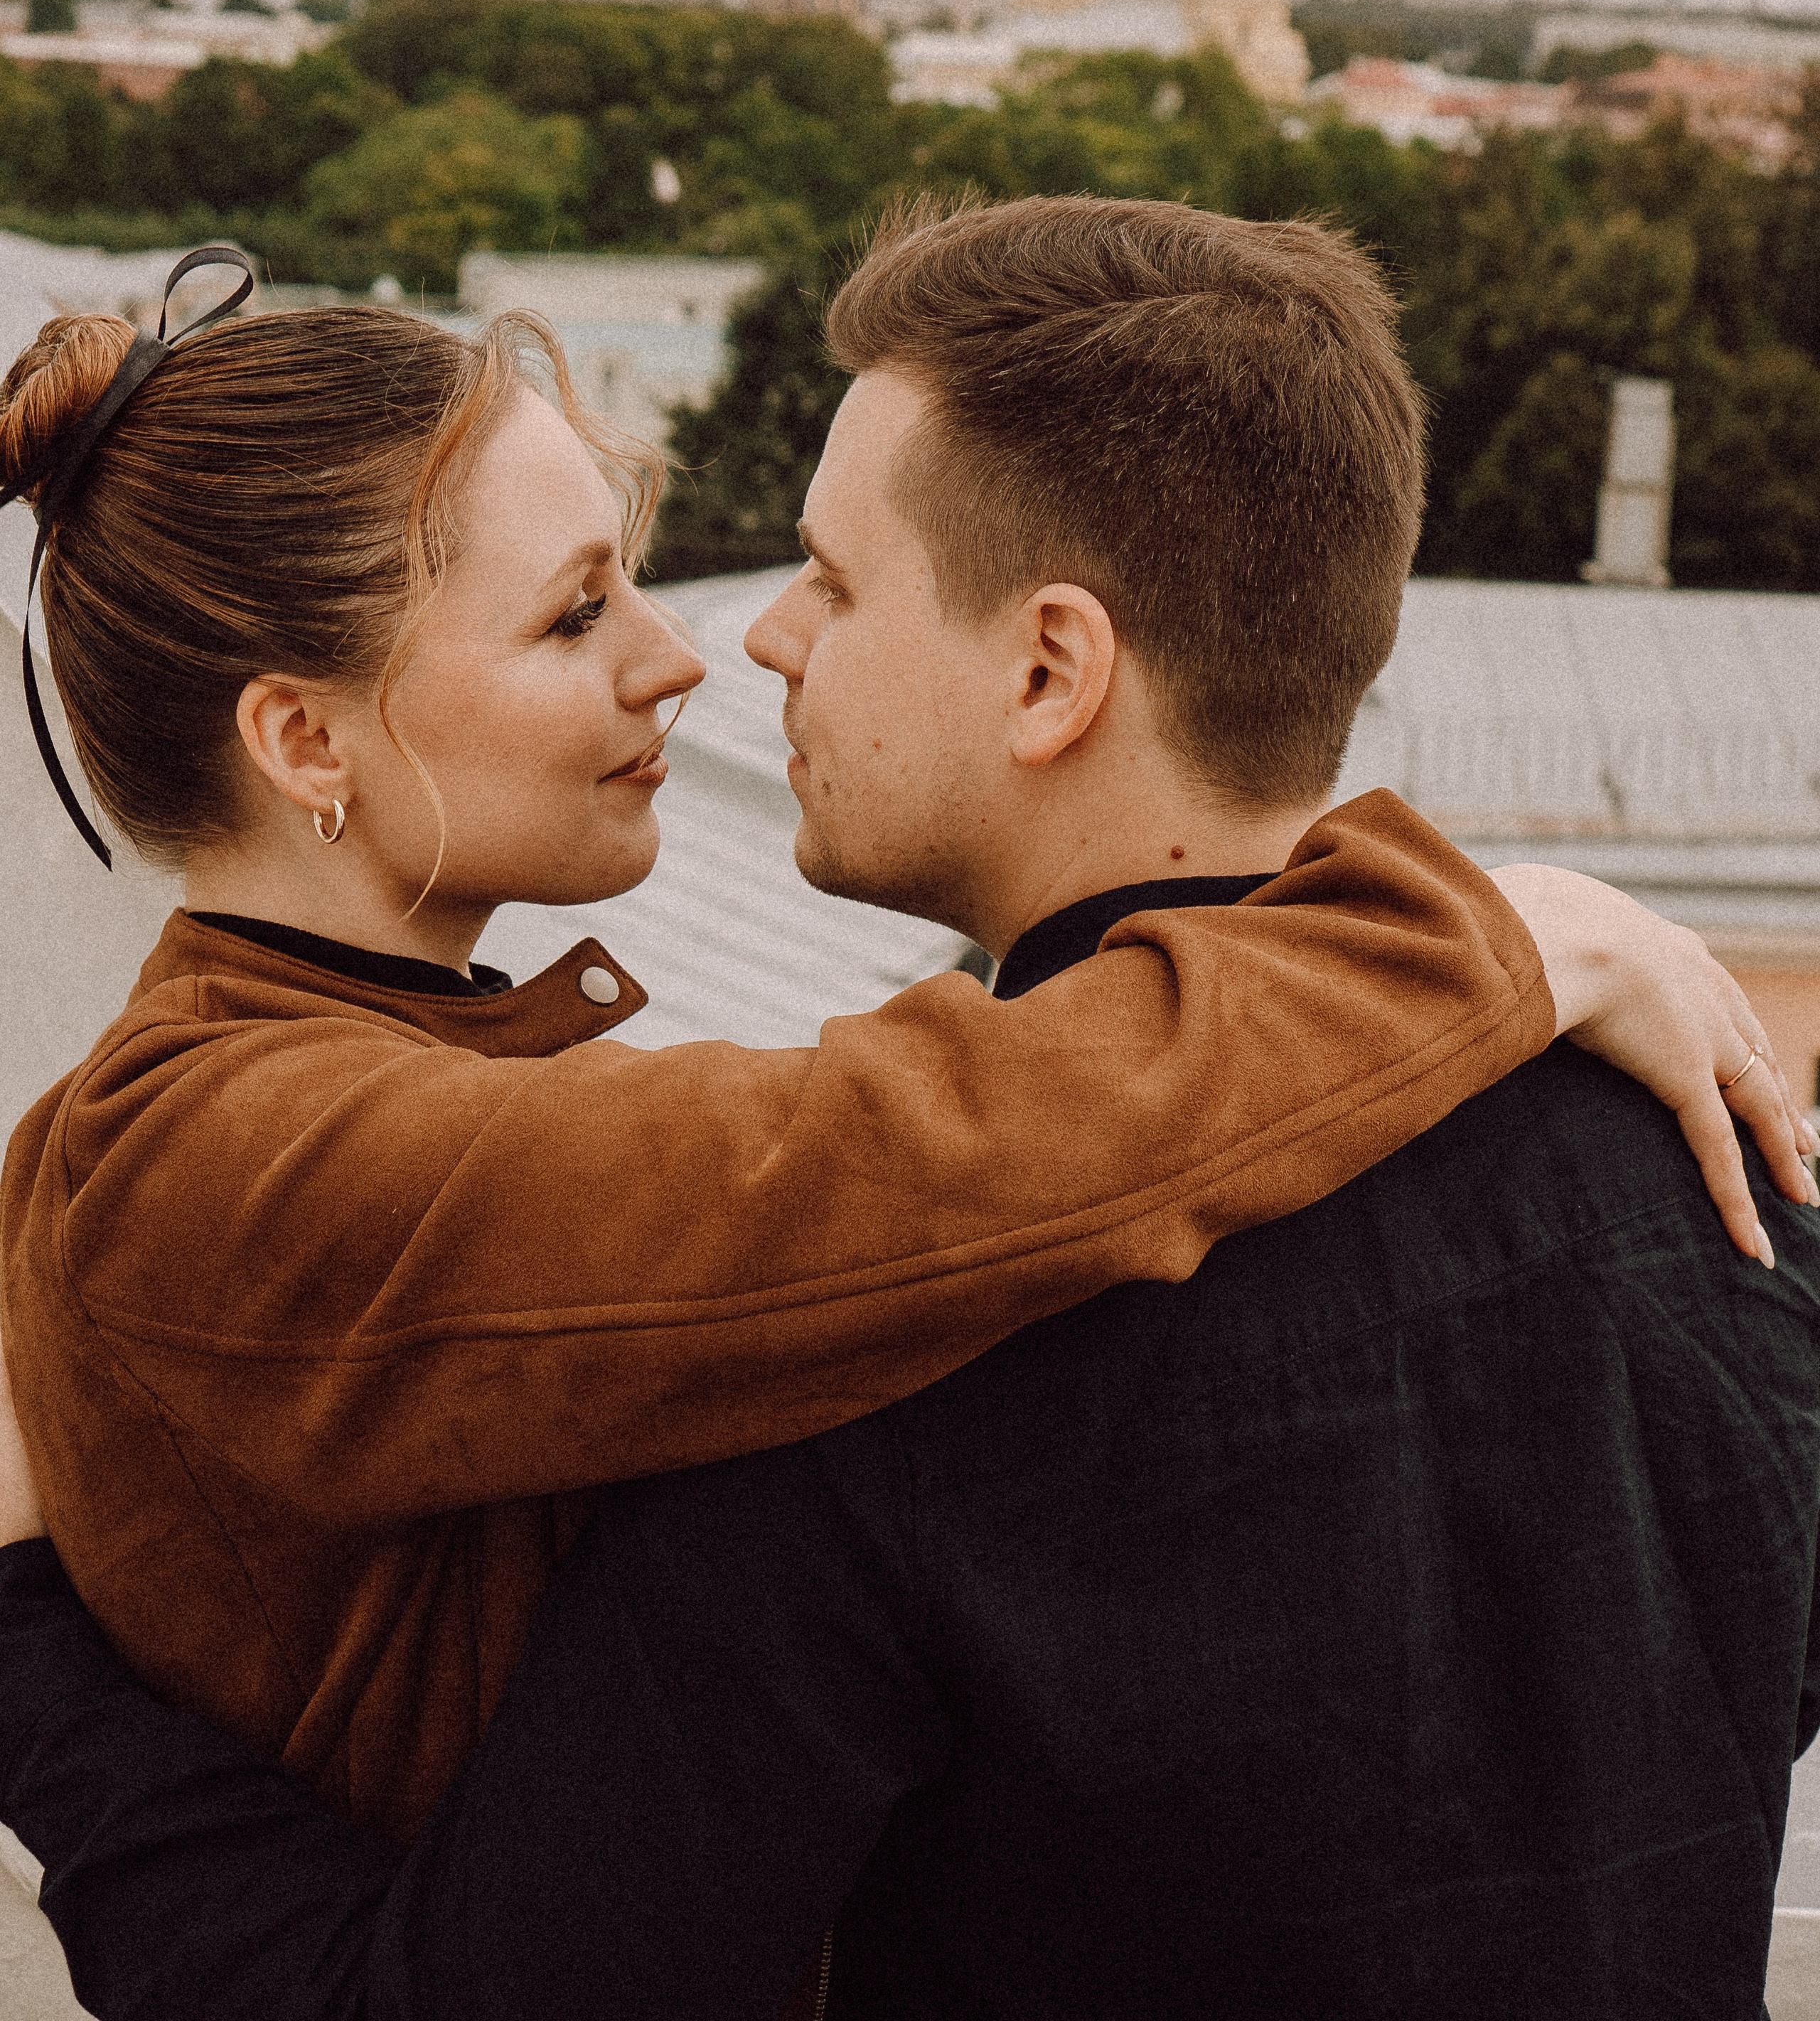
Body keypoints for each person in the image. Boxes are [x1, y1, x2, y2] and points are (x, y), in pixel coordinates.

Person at [0, 194, 1813, 2021]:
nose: (719, 645)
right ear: (303, 741)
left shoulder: (840, 1372)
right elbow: (891, 1141)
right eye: (575, 611)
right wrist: (1478, 932)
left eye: (832, 579)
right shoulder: (1721, 1196)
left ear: (1049, 669)